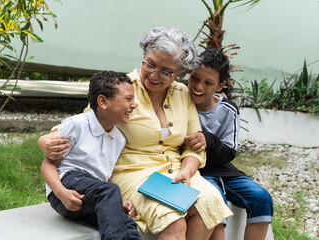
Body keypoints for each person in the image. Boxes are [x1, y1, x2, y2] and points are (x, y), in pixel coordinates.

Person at [38, 27, 233, 240]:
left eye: (166, 71)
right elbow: (90, 119)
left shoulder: (182, 94)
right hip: (133, 173)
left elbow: (194, 146)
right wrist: (46, 140)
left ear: (180, 73)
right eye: (150, 63)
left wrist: (187, 171)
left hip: (178, 172)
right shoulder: (122, 88)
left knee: (208, 204)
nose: (153, 74)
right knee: (172, 219)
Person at [40, 71, 142, 240]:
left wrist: (115, 204)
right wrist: (61, 193)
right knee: (109, 190)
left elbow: (101, 184)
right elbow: (47, 164)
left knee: (127, 223)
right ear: (103, 101)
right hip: (66, 187)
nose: (134, 104)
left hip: (91, 196)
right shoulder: (76, 125)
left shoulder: (119, 139)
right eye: (128, 99)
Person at [184, 48, 274, 240]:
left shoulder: (228, 110)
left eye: (208, 83)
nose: (198, 87)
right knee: (215, 199)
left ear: (220, 85)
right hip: (196, 172)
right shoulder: (179, 100)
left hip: (224, 170)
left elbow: (229, 152)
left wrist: (208, 140)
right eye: (195, 78)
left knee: (262, 197)